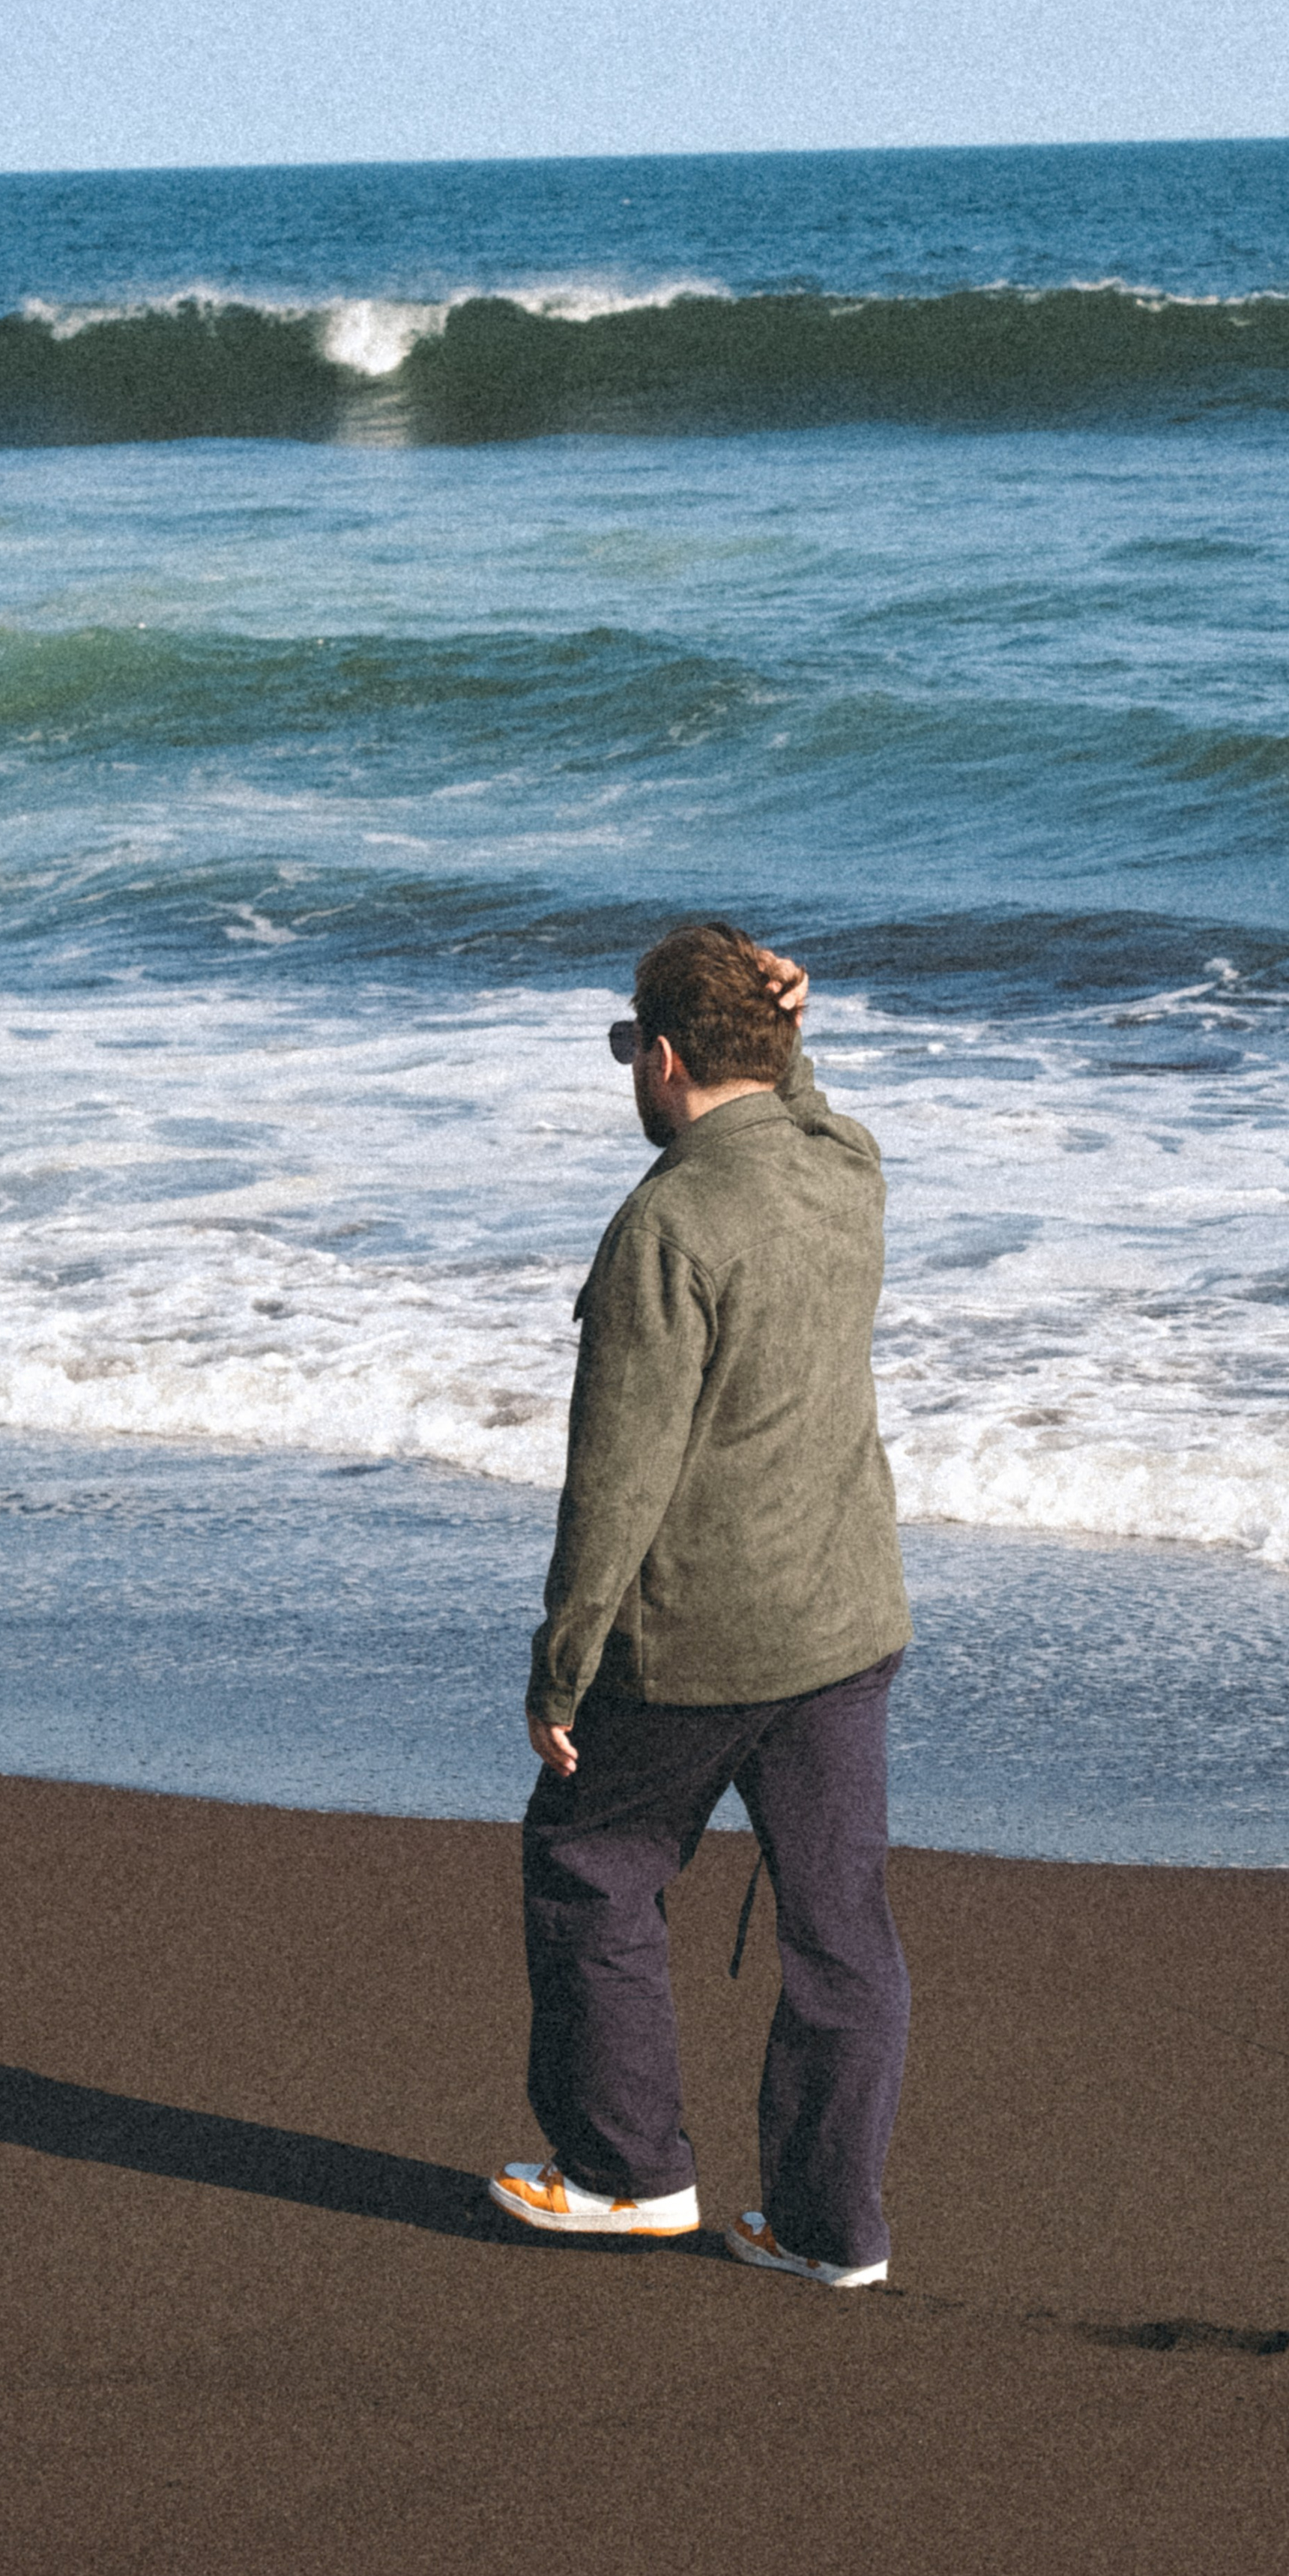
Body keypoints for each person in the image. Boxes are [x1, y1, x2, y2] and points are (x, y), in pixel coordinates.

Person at [489, 920, 914, 2288]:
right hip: (845, 1622)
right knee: (840, 1934)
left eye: (631, 1046)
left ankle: (626, 2174)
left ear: (665, 1057)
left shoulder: (669, 1221)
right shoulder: (845, 1170)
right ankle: (828, 2229)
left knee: (589, 1864)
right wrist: (794, 1040)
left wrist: (562, 1667)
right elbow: (808, 1108)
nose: (630, 1072)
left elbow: (616, 1479)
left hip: (696, 1640)